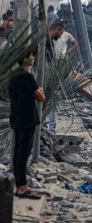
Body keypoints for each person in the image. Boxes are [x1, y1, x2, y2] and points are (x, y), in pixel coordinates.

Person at [9, 49, 45, 199]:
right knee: (23, 154)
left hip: (16, 118)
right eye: (31, 56)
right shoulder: (28, 77)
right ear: (25, 59)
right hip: (27, 119)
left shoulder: (13, 76)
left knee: (18, 152)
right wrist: (40, 90)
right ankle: (23, 187)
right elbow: (41, 97)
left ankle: (19, 186)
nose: (34, 58)